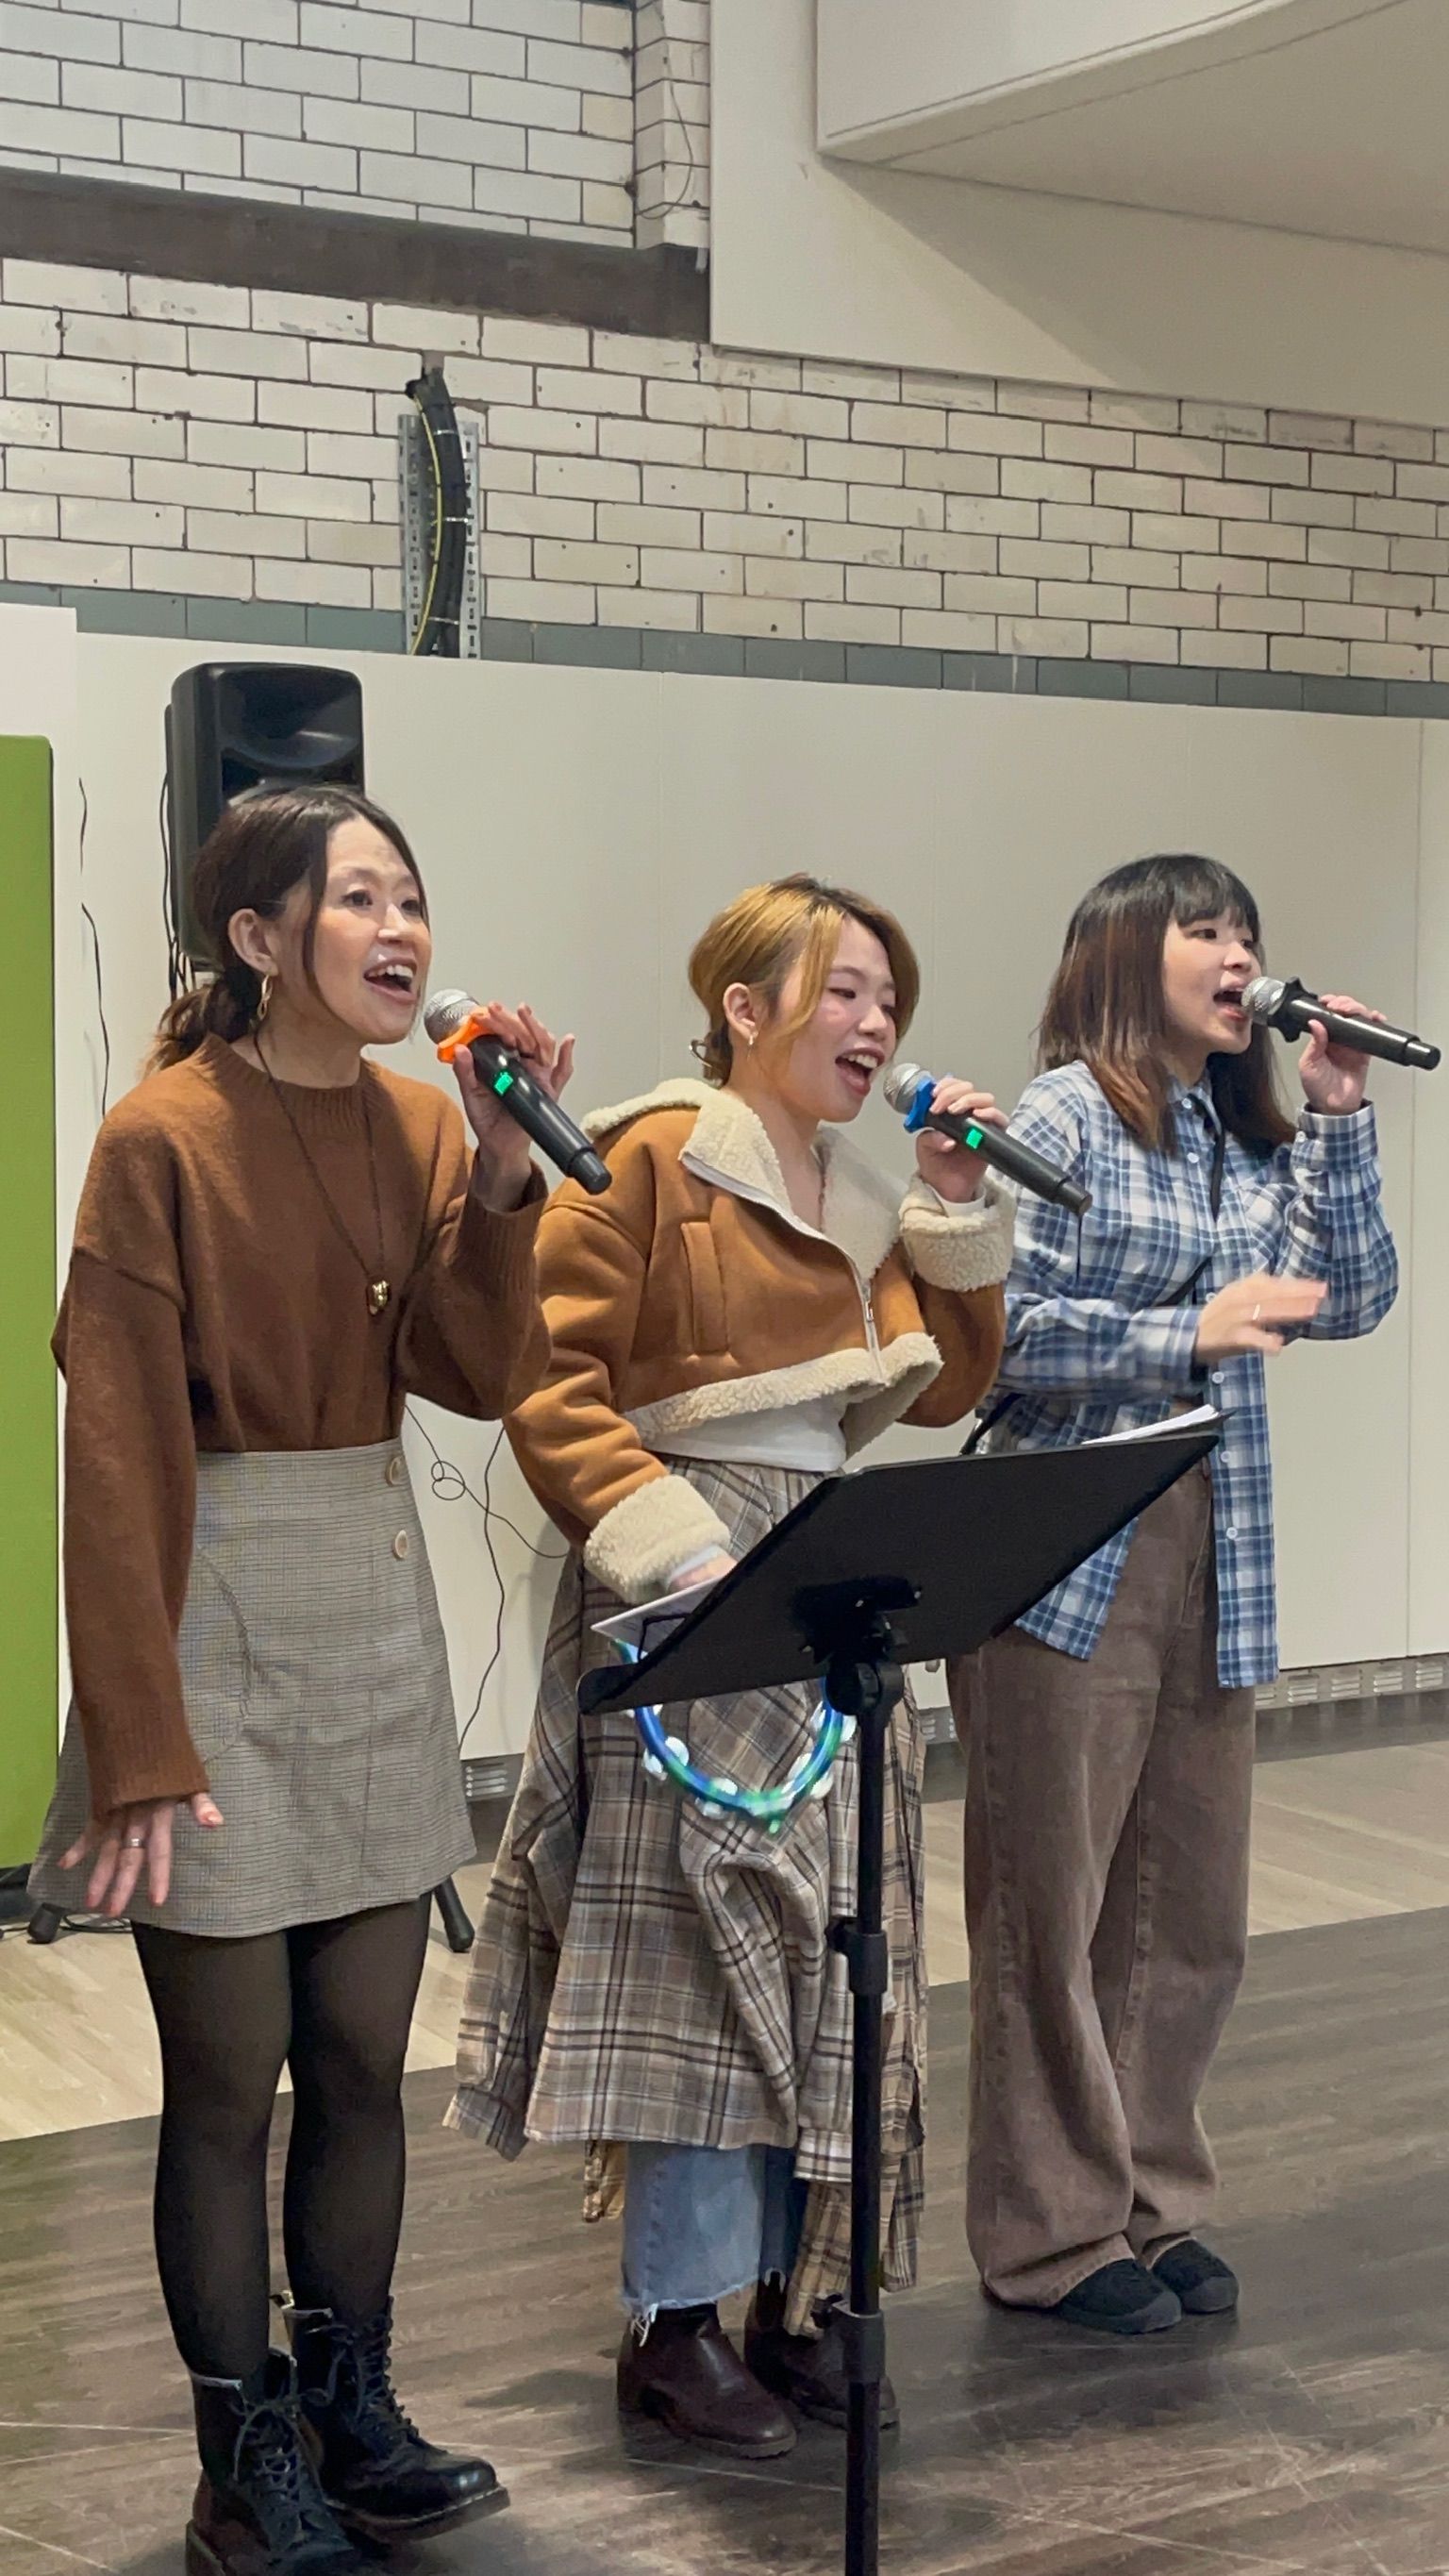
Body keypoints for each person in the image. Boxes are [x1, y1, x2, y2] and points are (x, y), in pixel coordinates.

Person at [28, 785, 568, 2576]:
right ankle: (235, 2447)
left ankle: (352, 2404)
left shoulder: (429, 1121)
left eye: (412, 895)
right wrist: (137, 1738)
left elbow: (479, 1373)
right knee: (227, 2073)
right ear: (259, 941)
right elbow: (113, 1457)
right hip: (206, 1594)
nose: (402, 929)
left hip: (372, 1602)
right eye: (359, 901)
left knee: (359, 2055)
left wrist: (500, 1184)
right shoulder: (159, 1136)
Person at [448, 873, 1012, 2456]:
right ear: (746, 1006)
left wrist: (952, 1190)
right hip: (695, 1575)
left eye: (889, 996)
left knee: (836, 1946)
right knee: (700, 1958)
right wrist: (677, 1551)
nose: (878, 1020)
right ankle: (675, 2321)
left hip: (827, 1580)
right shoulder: (643, 1153)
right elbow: (546, 1377)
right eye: (844, 990)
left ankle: (791, 2297)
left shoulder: (849, 1189)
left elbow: (951, 1379)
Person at [950, 851, 1398, 2337]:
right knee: (1053, 1910)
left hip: (1221, 1538)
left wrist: (1339, 1111)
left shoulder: (1240, 1126)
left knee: (1188, 1907)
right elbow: (1001, 1334)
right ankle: (1052, 2234)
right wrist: (1182, 1334)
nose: (1236, 952)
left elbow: (1354, 1291)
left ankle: (1152, 2196)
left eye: (1248, 931)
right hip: (1070, 1550)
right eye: (1203, 928)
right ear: (1121, 952)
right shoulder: (1071, 1110)